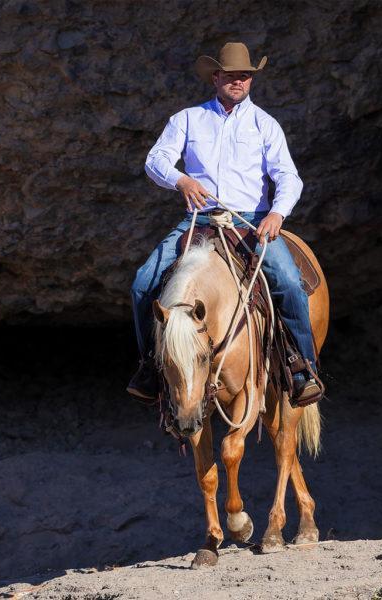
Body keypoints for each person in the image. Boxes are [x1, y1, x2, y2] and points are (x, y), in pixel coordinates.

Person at [128, 42, 321, 405]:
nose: (238, 81)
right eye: (231, 75)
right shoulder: (187, 119)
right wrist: (181, 180)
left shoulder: (265, 124)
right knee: (142, 284)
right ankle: (150, 366)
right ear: (215, 77)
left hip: (251, 221)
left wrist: (277, 213)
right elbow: (156, 160)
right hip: (199, 220)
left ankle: (301, 368)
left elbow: (288, 176)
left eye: (244, 75)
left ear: (251, 80)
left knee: (289, 283)